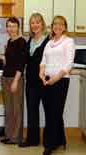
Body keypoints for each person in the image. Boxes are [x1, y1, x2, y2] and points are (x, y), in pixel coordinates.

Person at [39, 15, 75, 155]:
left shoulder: (68, 41)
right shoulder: (49, 42)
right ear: (52, 26)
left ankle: (50, 144)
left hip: (60, 81)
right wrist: (41, 74)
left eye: (60, 24)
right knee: (50, 112)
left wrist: (55, 79)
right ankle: (61, 139)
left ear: (65, 27)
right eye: (55, 24)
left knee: (55, 112)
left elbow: (68, 64)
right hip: (46, 80)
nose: (57, 26)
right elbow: (43, 61)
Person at [0, 17, 28, 144]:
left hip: (15, 79)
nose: (11, 29)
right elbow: (9, 61)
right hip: (6, 77)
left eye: (13, 26)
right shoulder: (10, 41)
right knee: (8, 109)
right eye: (9, 26)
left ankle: (16, 137)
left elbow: (21, 63)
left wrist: (16, 81)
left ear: (18, 27)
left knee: (16, 109)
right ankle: (9, 134)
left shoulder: (21, 42)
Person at [19, 13, 49, 147]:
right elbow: (24, 60)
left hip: (45, 81)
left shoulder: (49, 40)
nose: (35, 25)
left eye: (37, 22)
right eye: (32, 23)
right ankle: (32, 140)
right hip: (31, 82)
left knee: (49, 111)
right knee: (32, 111)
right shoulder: (29, 41)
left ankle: (50, 140)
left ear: (42, 24)